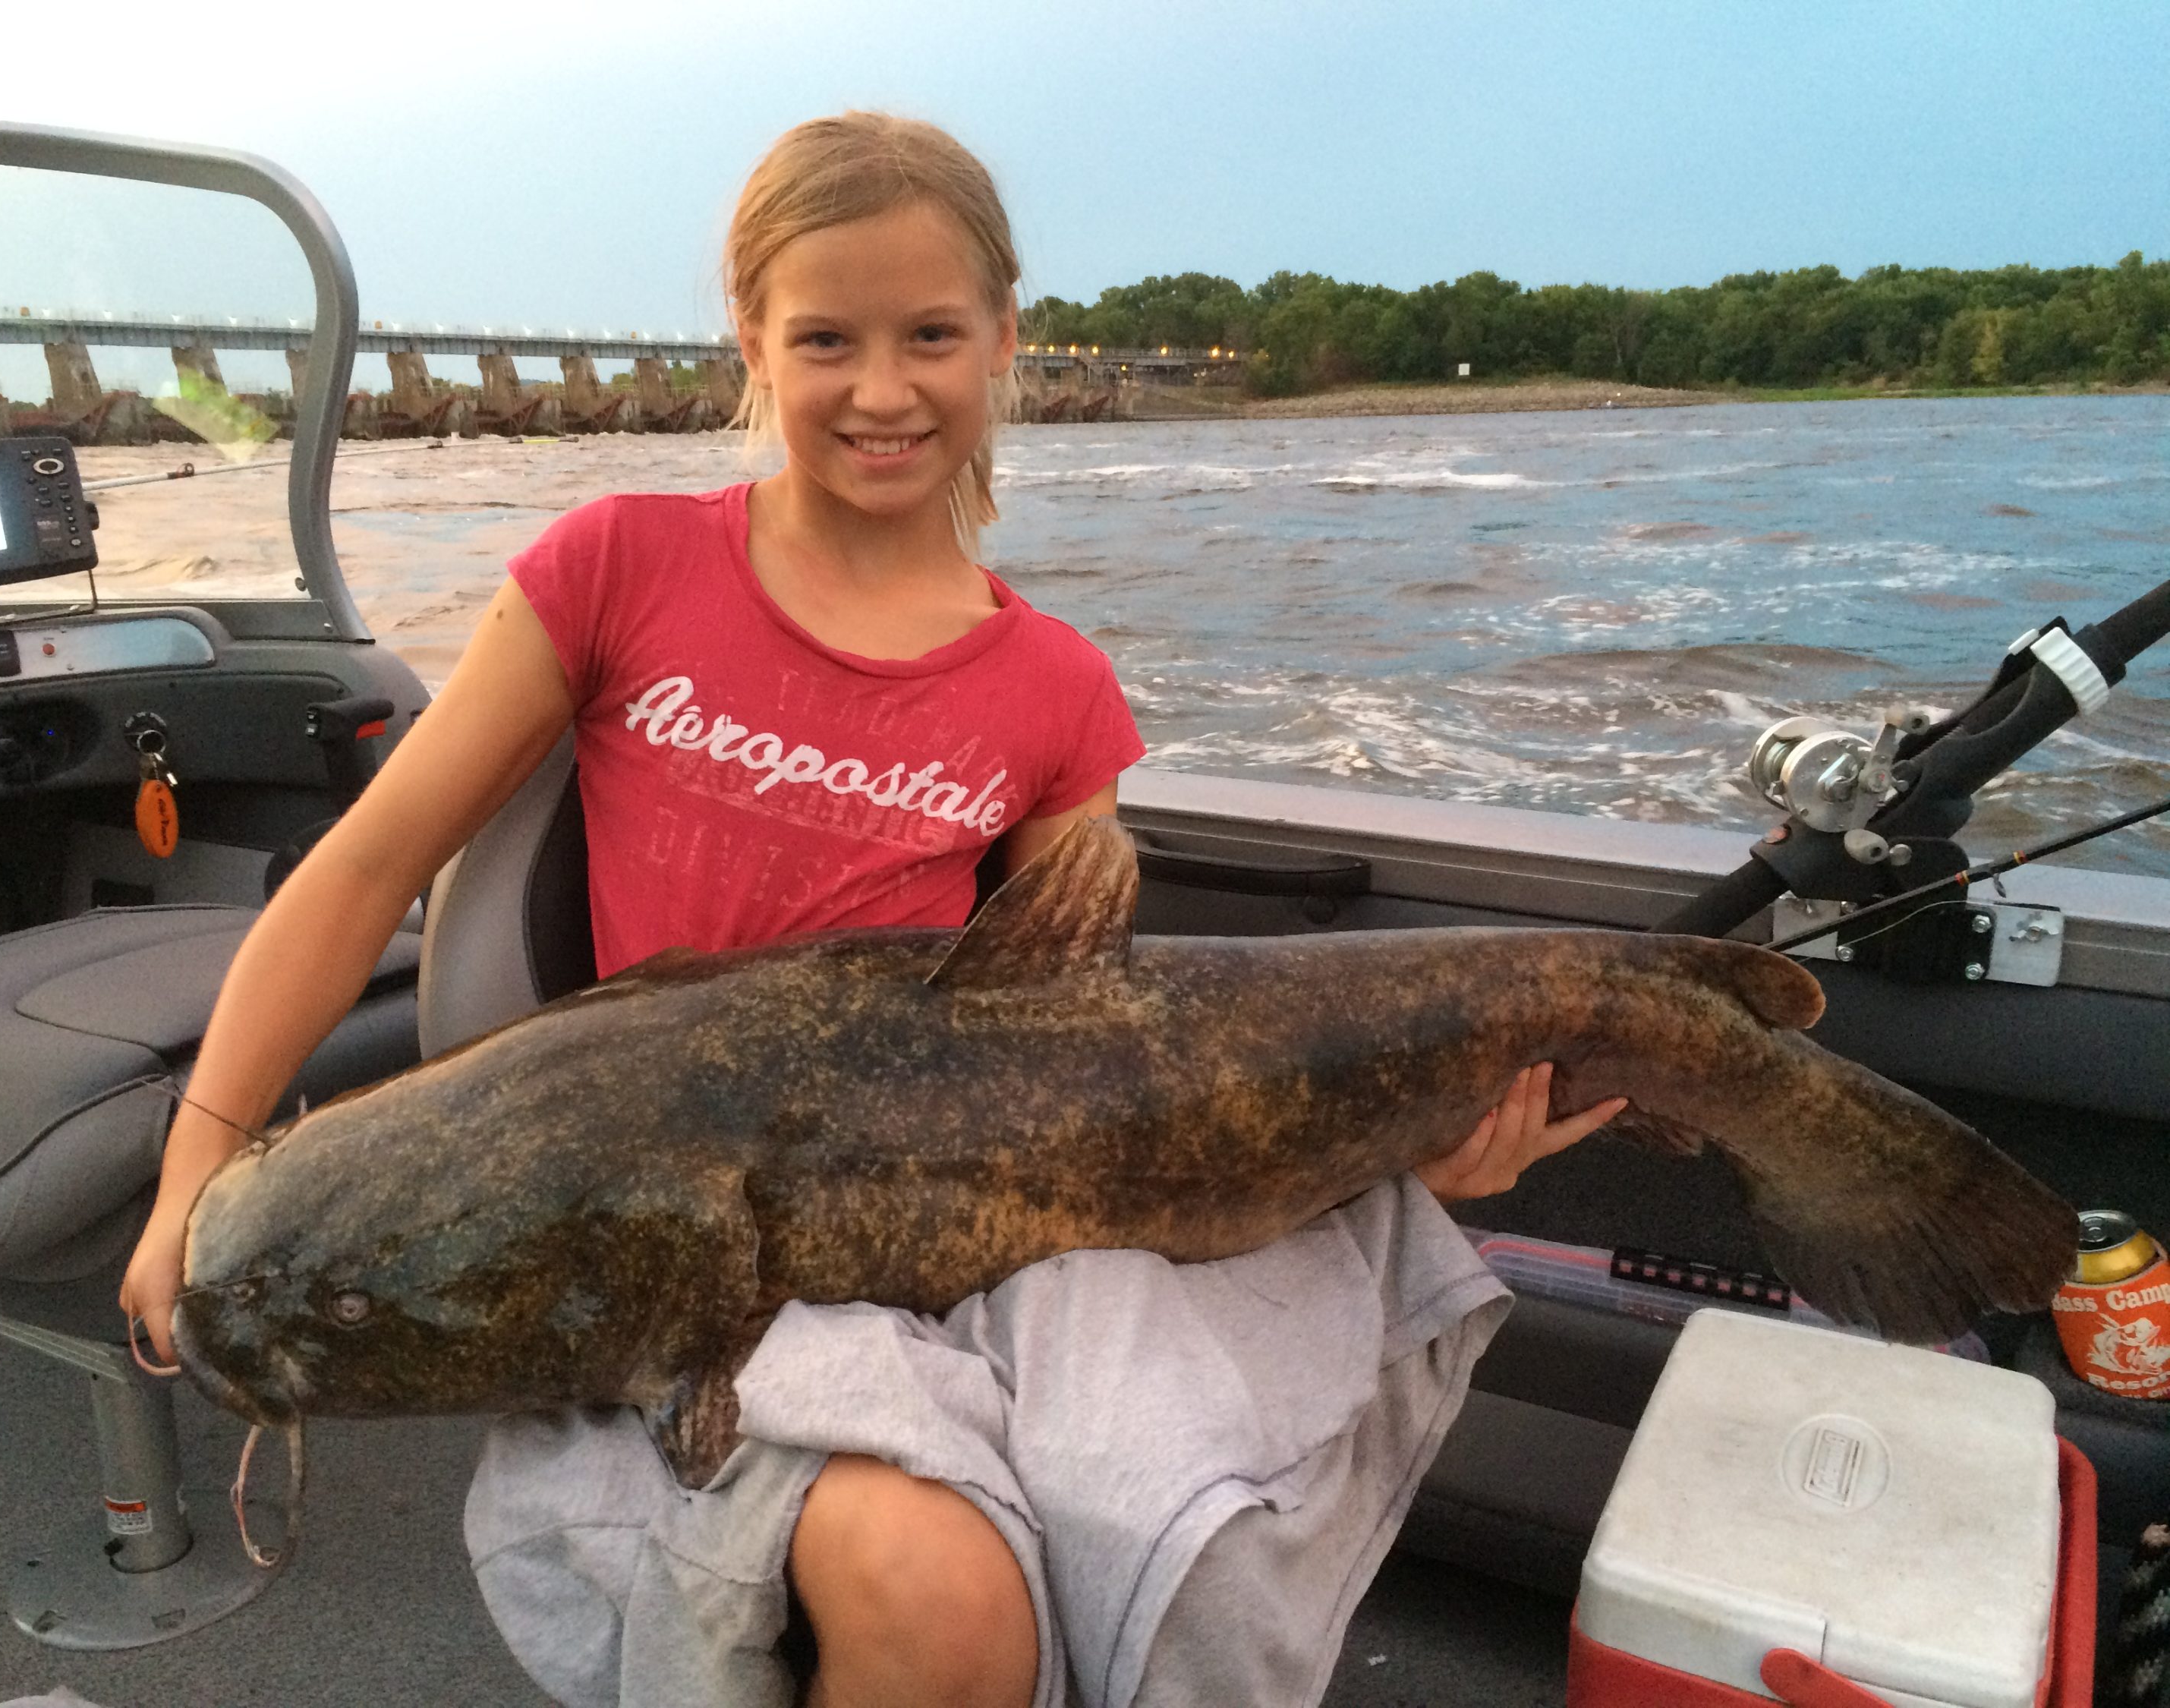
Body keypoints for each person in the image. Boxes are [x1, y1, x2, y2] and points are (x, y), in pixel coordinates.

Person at [122, 112, 1624, 1708]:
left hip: (939, 1213)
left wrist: (1436, 1127)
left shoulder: (1057, 689)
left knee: (1128, 1539)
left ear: (1003, 343)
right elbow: (362, 868)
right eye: (827, 338)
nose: (884, 389)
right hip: (668, 1218)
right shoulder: (620, 567)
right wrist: (196, 1167)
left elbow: (1078, 1021)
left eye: (930, 336)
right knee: (941, 1601)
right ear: (754, 344)